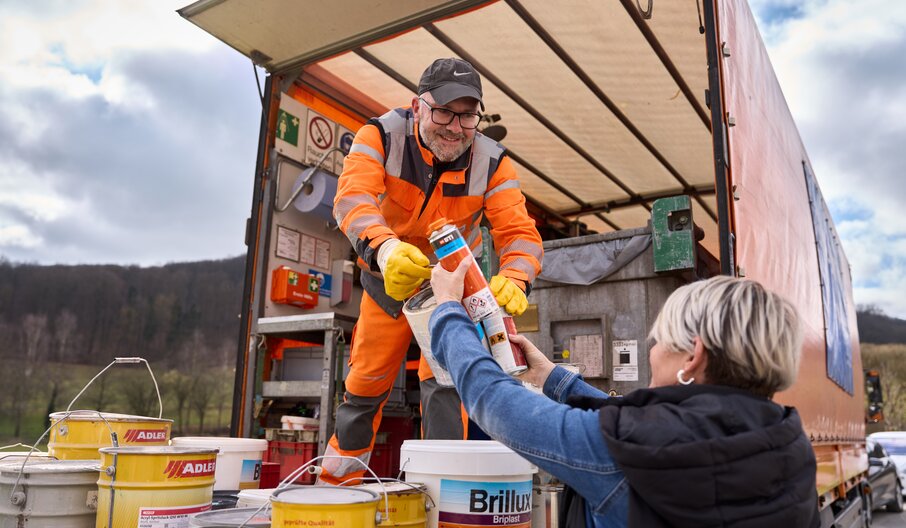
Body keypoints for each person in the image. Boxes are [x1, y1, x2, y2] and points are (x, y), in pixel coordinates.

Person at [429, 262, 820, 528]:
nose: (651, 352)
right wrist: (553, 377)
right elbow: (645, 430)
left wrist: (447, 311)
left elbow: (494, 401)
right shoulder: (790, 446)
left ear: (692, 354)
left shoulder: (636, 449)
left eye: (659, 340)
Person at [321, 57, 544, 485]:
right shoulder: (381, 135)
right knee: (364, 387)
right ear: (418, 105)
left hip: (451, 290)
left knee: (446, 389)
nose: (456, 126)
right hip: (388, 283)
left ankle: (442, 497)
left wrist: (516, 278)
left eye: (468, 115)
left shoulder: (493, 161)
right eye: (444, 111)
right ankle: (336, 491)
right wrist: (385, 252)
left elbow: (520, 234)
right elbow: (352, 200)